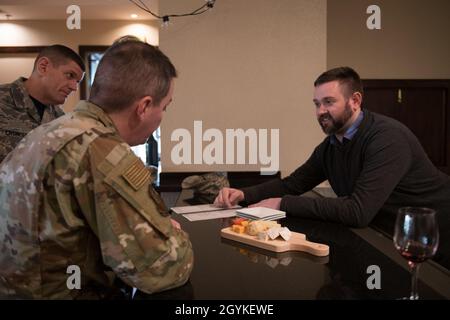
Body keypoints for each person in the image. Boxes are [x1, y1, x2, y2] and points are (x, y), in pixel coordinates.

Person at [0, 39, 193, 299]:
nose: (162, 116)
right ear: (144, 106)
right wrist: (173, 237)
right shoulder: (101, 149)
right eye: (165, 106)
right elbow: (162, 268)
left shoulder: (48, 131)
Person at [215, 66, 450, 269]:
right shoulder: (331, 145)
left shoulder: (388, 138)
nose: (320, 112)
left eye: (329, 102)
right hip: (388, 235)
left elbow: (358, 211)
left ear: (355, 101)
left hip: (434, 239)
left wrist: (282, 203)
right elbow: (293, 183)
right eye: (317, 103)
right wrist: (244, 194)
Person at [0, 44, 85, 163]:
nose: (74, 87)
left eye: (77, 82)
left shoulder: (60, 119)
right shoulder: (3, 100)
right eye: (70, 75)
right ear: (43, 67)